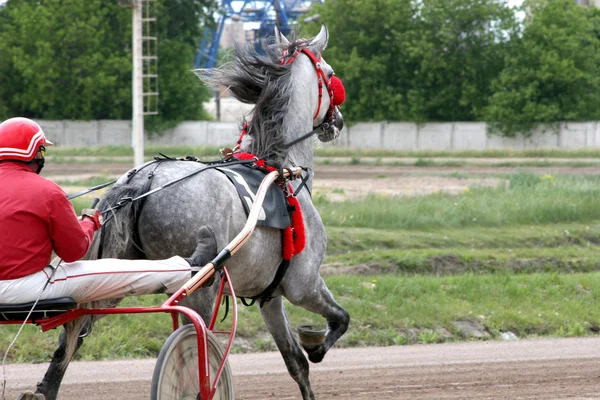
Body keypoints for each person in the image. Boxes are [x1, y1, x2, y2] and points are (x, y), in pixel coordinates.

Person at [0, 117, 217, 306]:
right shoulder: (47, 191)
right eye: (41, 150)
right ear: (34, 154)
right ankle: (192, 269)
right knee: (116, 270)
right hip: (23, 288)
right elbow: (73, 252)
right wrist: (88, 223)